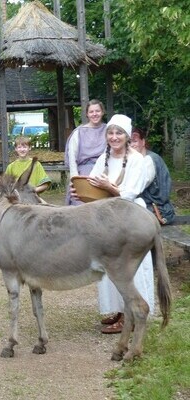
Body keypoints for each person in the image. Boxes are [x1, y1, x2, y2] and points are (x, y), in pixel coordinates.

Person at [74, 114, 155, 334]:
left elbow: (129, 194)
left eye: (119, 133)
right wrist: (81, 191)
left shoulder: (138, 160)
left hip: (130, 219)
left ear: (127, 136)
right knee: (110, 265)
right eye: (110, 132)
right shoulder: (103, 158)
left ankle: (134, 313)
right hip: (108, 218)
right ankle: (119, 311)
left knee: (129, 267)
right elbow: (93, 186)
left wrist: (109, 186)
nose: (114, 137)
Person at [65, 99, 107, 205]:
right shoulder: (79, 132)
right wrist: (74, 179)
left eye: (97, 111)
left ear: (102, 112)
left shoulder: (109, 131)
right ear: (87, 114)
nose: (94, 114)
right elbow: (72, 157)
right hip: (82, 175)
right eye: (91, 112)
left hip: (103, 174)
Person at [130, 127, 175, 225]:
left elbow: (137, 187)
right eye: (129, 142)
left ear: (143, 142)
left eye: (134, 141)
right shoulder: (138, 159)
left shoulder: (149, 160)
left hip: (159, 211)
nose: (131, 145)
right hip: (148, 208)